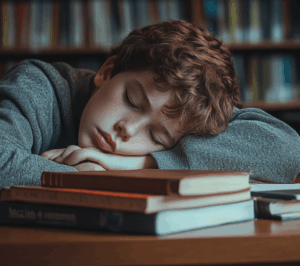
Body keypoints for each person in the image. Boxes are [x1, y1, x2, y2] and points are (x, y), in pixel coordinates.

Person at [0, 20, 299, 188]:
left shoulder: (179, 127)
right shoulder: (40, 85)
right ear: (107, 72)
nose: (127, 130)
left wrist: (139, 164)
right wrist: (88, 178)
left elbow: (287, 151)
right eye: (131, 100)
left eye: (156, 137)